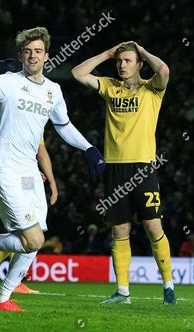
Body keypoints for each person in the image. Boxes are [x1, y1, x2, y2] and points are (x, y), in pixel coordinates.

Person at [0, 27, 105, 312]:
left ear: (47, 56)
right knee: (33, 238)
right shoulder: (7, 82)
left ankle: (1, 299)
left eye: (38, 51)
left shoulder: (53, 90)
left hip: (29, 170)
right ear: (20, 56)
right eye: (27, 51)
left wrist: (89, 147)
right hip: (4, 168)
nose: (33, 55)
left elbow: (63, 127)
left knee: (37, 240)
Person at [71, 41, 176, 304]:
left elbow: (163, 69)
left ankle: (168, 286)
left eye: (128, 60)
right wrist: (107, 53)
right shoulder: (110, 86)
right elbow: (77, 73)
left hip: (142, 167)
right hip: (114, 169)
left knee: (153, 226)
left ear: (140, 64)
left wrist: (143, 50)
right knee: (119, 231)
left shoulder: (151, 89)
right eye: (120, 61)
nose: (122, 65)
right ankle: (123, 292)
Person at [0, 138, 58, 295]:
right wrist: (53, 183)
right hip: (24, 175)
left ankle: (11, 276)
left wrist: (35, 173)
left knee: (27, 231)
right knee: (34, 230)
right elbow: (41, 153)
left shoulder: (16, 120)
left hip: (17, 172)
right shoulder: (34, 117)